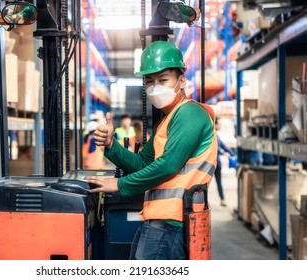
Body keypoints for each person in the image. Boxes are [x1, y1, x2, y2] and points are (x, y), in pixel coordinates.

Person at [88, 40, 217, 260]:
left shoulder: (190, 114)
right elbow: (143, 163)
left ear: (182, 80)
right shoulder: (167, 121)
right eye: (149, 81)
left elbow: (168, 165)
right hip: (159, 221)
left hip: (173, 223)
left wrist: (119, 184)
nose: (155, 86)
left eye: (163, 79)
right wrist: (111, 146)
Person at [214, 118, 236, 207]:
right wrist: (223, 153)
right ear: (215, 124)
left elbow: (223, 146)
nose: (220, 125)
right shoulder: (211, 135)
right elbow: (215, 148)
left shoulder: (217, 135)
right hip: (209, 164)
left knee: (219, 182)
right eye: (218, 124)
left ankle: (222, 199)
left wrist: (232, 154)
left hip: (216, 163)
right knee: (204, 184)